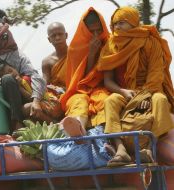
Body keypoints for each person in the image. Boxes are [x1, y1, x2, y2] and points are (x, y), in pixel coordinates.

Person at [97, 7, 174, 166]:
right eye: (115, 24)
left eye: (122, 23)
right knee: (110, 101)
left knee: (160, 100)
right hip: (126, 92)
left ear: (133, 23)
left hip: (151, 91)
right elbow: (108, 81)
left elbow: (156, 74)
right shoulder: (111, 45)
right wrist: (122, 91)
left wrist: (144, 96)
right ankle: (120, 149)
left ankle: (148, 149)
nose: (117, 27)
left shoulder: (150, 41)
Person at [59, 7, 109, 133]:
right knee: (78, 101)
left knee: (103, 100)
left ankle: (105, 136)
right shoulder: (75, 49)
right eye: (92, 31)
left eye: (99, 30)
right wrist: (91, 54)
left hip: (102, 88)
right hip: (79, 90)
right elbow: (78, 81)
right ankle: (78, 131)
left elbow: (110, 75)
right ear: (85, 30)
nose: (97, 35)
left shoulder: (109, 43)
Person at [42, 22, 68, 88]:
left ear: (66, 35)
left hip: (79, 90)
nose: (57, 38)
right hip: (61, 95)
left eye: (60, 34)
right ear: (49, 39)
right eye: (53, 35)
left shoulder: (76, 52)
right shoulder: (47, 62)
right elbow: (45, 85)